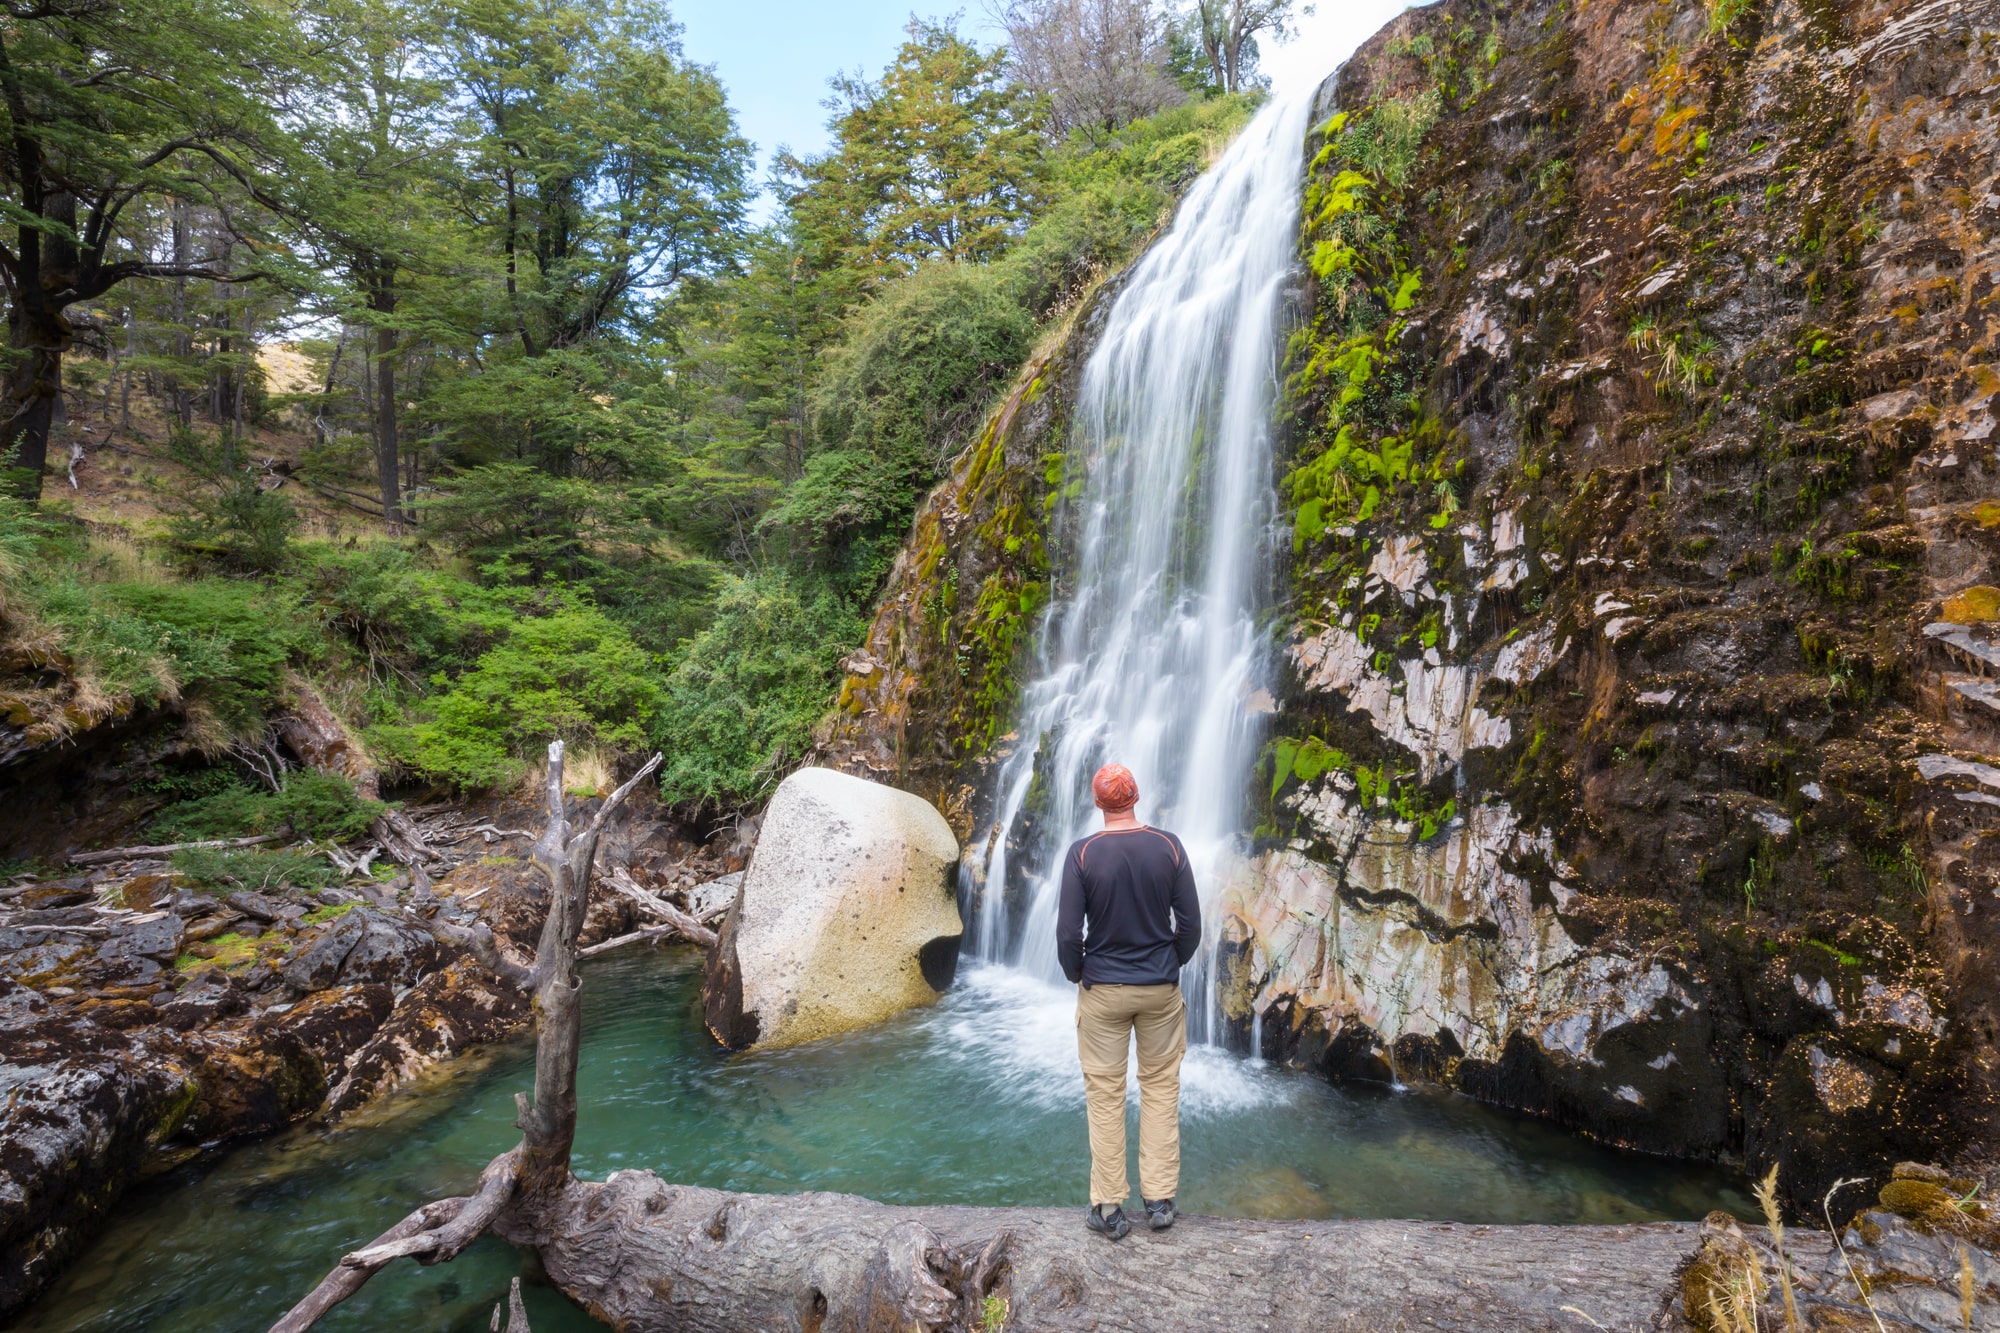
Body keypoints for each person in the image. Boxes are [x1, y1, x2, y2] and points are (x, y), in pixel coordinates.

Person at [1055, 762, 1201, 1240]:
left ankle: (1109, 1209)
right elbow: (1192, 925)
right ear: (1137, 796)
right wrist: (1169, 965)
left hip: (1104, 991)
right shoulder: (1169, 847)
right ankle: (1159, 1201)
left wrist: (1080, 974)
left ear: (1099, 803)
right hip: (1160, 989)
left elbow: (1066, 934)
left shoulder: (1083, 855)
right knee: (1160, 1089)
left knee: (1105, 1095)